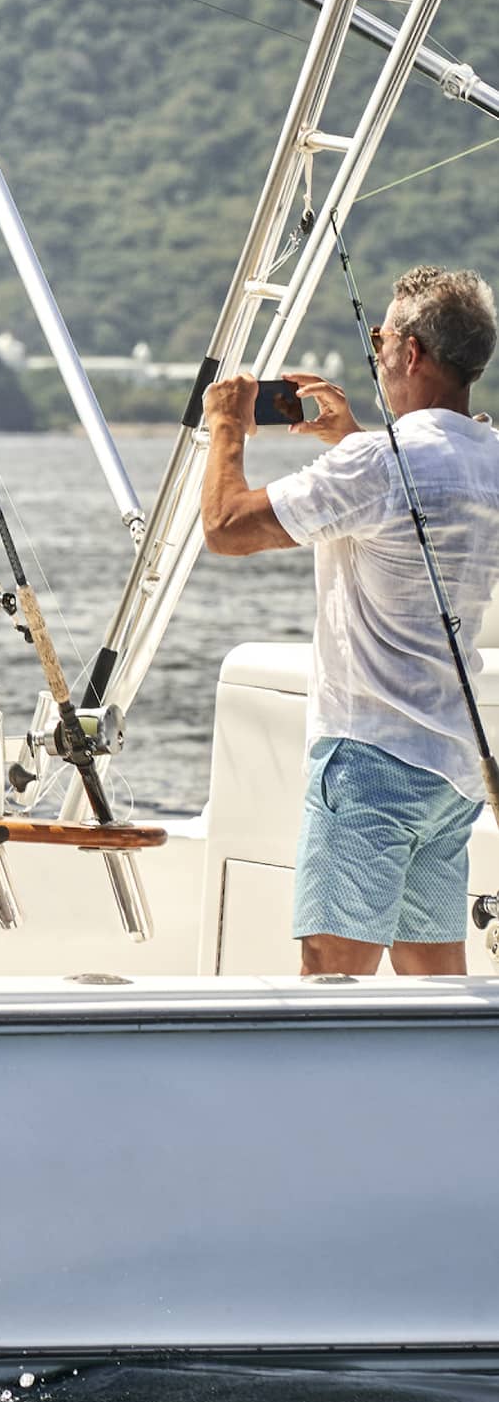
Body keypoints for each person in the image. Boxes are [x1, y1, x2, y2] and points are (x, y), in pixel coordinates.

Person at [201, 264, 499, 977]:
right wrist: (349, 437)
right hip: (454, 767)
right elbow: (412, 506)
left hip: (369, 760)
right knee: (434, 982)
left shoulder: (380, 463)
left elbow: (226, 526)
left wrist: (226, 426)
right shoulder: (486, 458)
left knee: (332, 978)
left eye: (380, 337)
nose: (376, 351)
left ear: (413, 353)